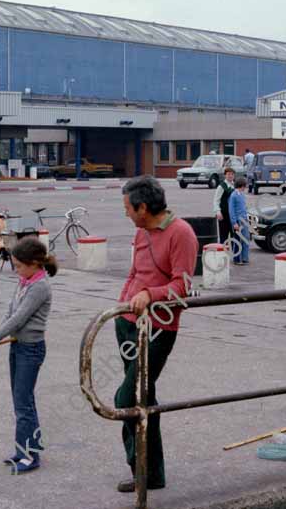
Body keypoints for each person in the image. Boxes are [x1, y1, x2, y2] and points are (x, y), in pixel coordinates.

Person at [116, 176, 198, 493]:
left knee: (126, 398)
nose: (125, 214)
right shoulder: (141, 231)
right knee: (144, 397)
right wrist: (123, 304)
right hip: (127, 322)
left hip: (158, 327)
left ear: (143, 207)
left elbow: (184, 285)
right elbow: (135, 272)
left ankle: (141, 468)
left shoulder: (181, 234)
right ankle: (150, 473)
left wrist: (150, 294)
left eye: (127, 208)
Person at [0, 238, 57, 475]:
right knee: (20, 400)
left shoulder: (40, 286)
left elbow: (19, 319)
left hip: (31, 349)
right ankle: (23, 449)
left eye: (19, 266)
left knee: (24, 404)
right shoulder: (25, 280)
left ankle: (30, 456)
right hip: (17, 346)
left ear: (34, 264)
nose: (16, 270)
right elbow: (10, 312)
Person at [228, 177, 250, 265]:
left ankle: (244, 257)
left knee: (245, 239)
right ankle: (237, 259)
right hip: (238, 221)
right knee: (238, 240)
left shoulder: (241, 195)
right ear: (242, 186)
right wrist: (234, 223)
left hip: (244, 219)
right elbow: (231, 210)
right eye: (245, 186)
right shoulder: (234, 195)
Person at [212, 167, 236, 246]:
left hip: (233, 215)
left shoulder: (235, 186)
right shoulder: (221, 186)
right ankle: (222, 254)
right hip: (224, 214)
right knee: (223, 235)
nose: (230, 176)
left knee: (234, 235)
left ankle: (234, 255)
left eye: (232, 174)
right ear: (225, 175)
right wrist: (218, 212)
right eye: (228, 174)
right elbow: (216, 200)